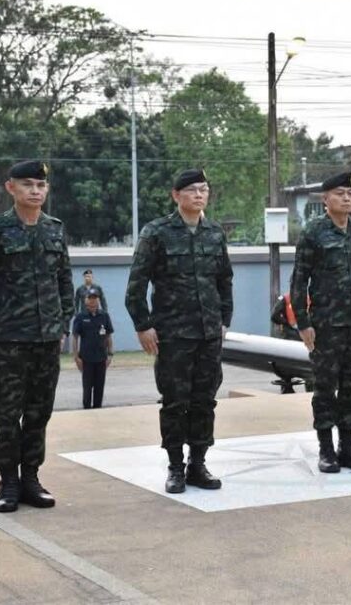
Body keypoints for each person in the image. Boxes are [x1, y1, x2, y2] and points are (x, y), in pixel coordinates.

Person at [0, 160, 73, 514]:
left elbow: (64, 280)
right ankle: (8, 482)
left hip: (47, 339)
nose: (35, 191)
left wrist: (63, 325)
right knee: (8, 413)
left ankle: (31, 479)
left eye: (41, 185)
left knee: (39, 412)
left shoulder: (55, 229)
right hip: (9, 338)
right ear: (11, 188)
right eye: (27, 184)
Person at [126, 168, 233, 495]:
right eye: (192, 190)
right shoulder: (156, 232)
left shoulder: (214, 233)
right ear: (176, 195)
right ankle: (175, 466)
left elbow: (224, 280)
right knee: (175, 402)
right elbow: (136, 285)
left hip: (208, 333)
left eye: (204, 189)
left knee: (205, 400)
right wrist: (144, 325)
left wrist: (224, 319)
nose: (199, 195)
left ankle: (197, 464)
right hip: (173, 334)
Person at [290, 171, 351, 474]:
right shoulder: (314, 233)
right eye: (340, 194)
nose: (346, 198)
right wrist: (303, 323)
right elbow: (299, 280)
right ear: (325, 199)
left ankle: (347, 447)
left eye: (350, 194)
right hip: (326, 326)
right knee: (325, 388)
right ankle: (326, 449)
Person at [72, 290, 114, 409]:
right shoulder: (80, 317)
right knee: (87, 388)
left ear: (98, 301)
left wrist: (110, 354)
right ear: (86, 301)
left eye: (95, 299)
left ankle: (98, 410)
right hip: (86, 359)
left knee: (99, 387)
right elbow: (75, 337)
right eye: (90, 299)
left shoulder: (104, 316)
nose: (93, 302)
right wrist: (76, 357)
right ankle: (87, 410)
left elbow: (108, 336)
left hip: (101, 358)